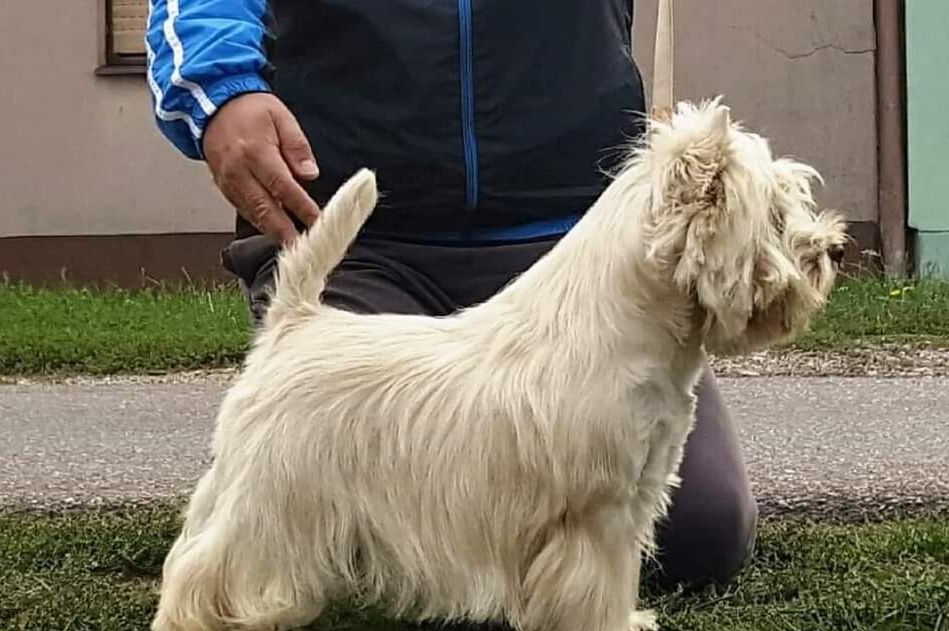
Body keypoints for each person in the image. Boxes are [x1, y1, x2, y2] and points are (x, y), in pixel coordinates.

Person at [146, 0, 758, 588]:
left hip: (569, 247)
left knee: (698, 531)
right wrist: (221, 86)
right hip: (356, 241)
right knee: (312, 463)